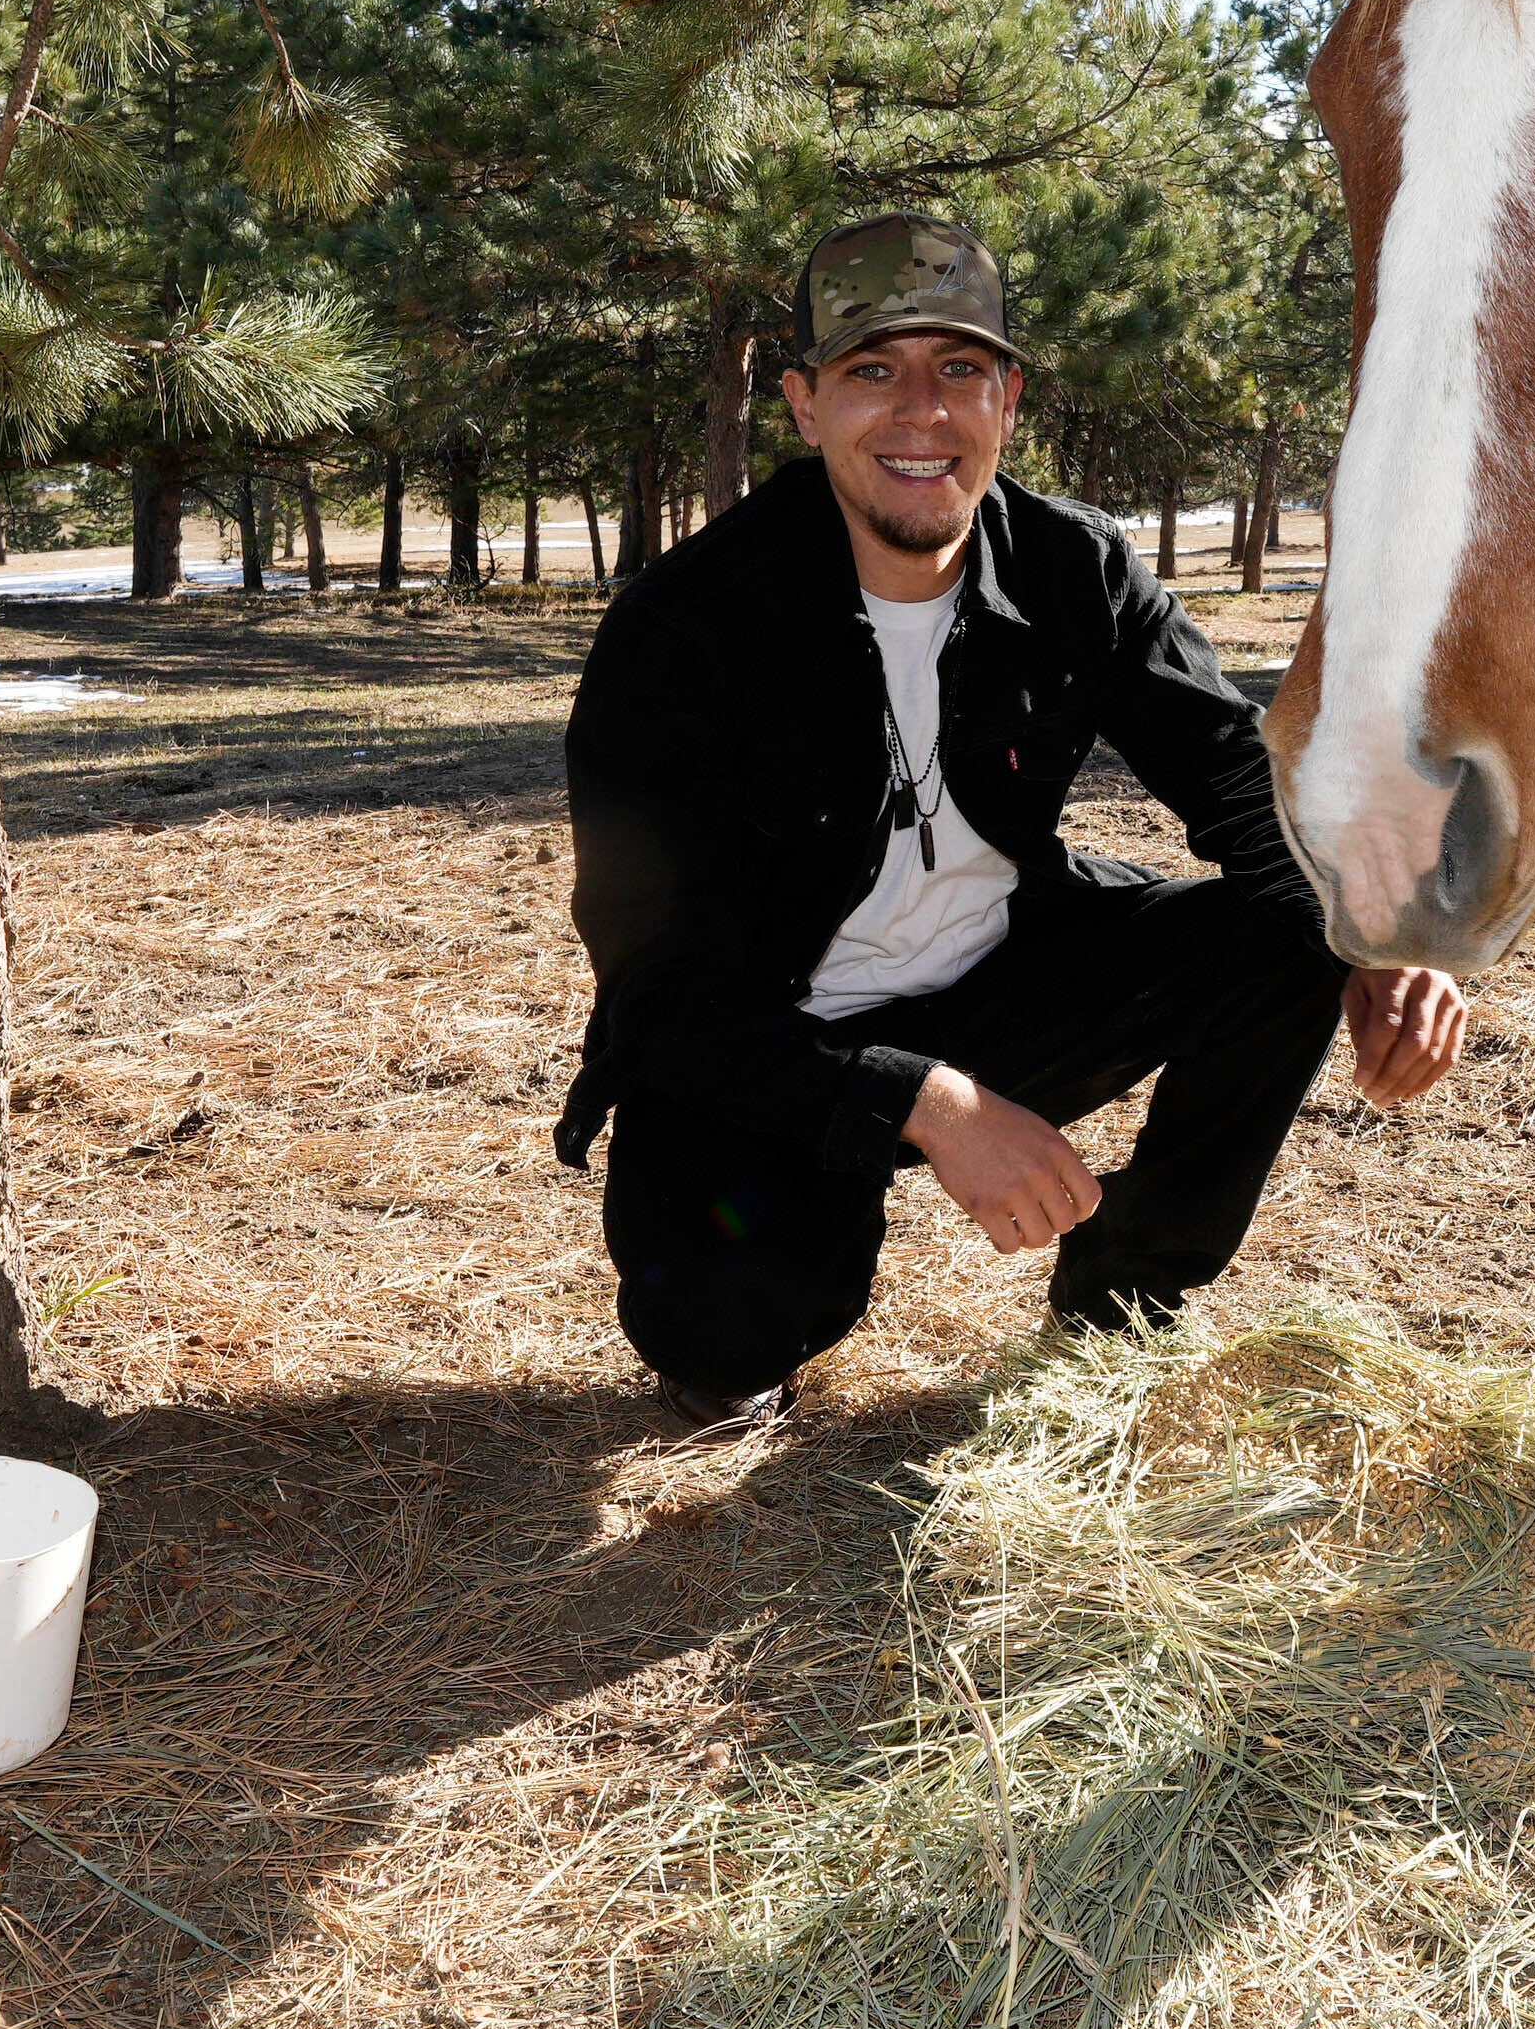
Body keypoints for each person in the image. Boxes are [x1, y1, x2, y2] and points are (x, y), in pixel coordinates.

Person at [555, 212, 1467, 1406]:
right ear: (803, 404)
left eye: (960, 369)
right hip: (779, 1039)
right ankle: (785, 1257)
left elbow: (1242, 787)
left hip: (1002, 979)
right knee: (722, 1333)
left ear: (1009, 400)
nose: (921, 412)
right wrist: (926, 1104)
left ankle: (1122, 1304)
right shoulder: (687, 630)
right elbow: (662, 996)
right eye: (871, 371)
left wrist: (1381, 935)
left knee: (1294, 930)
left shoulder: (1074, 568)